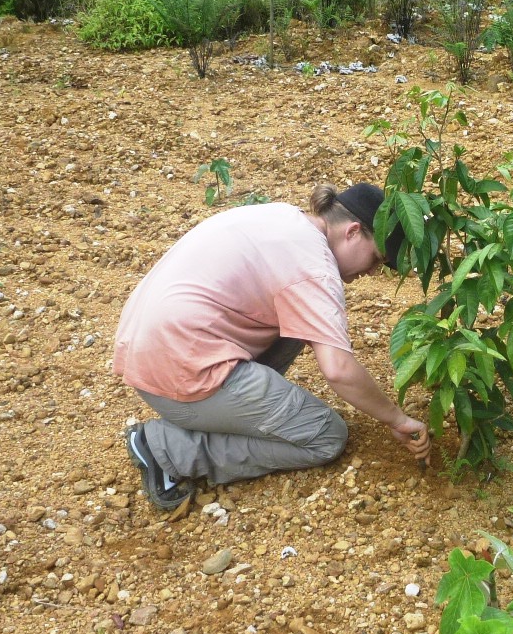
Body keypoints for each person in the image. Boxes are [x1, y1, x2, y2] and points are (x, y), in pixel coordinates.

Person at [114, 183, 429, 511]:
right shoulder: (313, 267)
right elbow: (338, 370)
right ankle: (166, 448)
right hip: (180, 375)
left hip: (147, 350)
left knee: (301, 324)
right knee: (325, 436)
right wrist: (396, 419)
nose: (371, 271)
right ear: (352, 232)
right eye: (376, 258)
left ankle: (223, 415)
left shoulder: (284, 218)